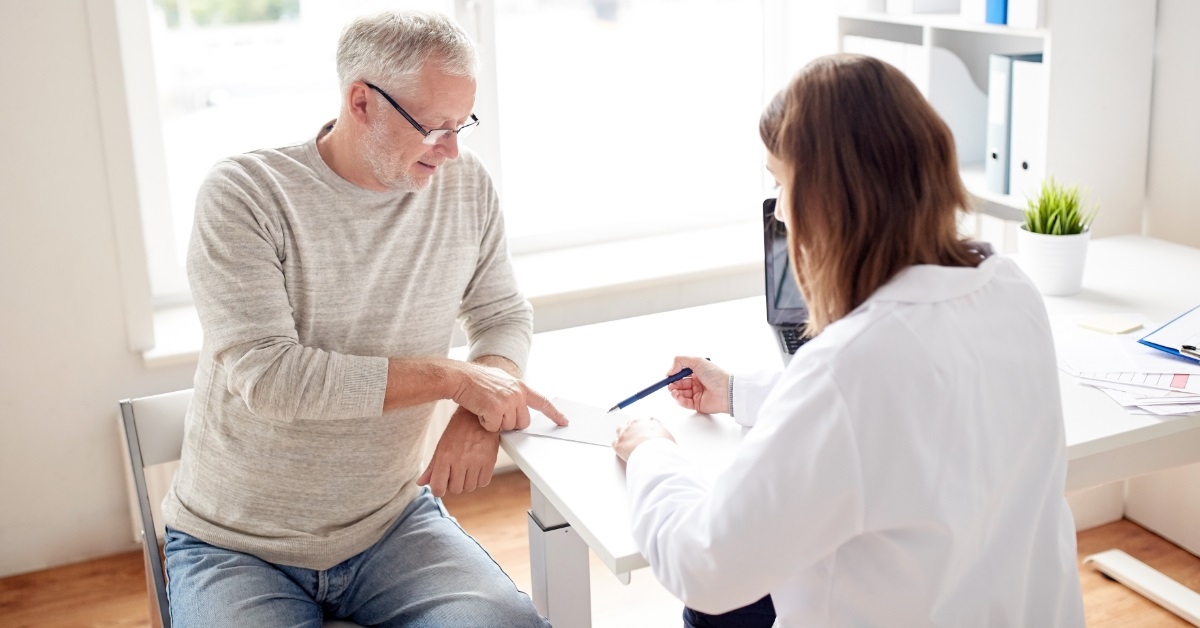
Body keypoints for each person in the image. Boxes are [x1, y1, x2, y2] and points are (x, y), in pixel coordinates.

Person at [612, 54, 1085, 627]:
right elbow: (901, 409)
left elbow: (704, 566)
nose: (779, 212)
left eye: (781, 183)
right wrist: (735, 391)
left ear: (830, 200)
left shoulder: (850, 368)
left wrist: (652, 452)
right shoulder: (1011, 289)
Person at [162, 10, 565, 627]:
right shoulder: (246, 194)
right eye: (434, 127)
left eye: (462, 125)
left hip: (391, 523)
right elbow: (271, 379)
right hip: (235, 545)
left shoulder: (464, 185)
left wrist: (479, 409)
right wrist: (457, 380)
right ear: (361, 102)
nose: (452, 150)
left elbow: (502, 313)